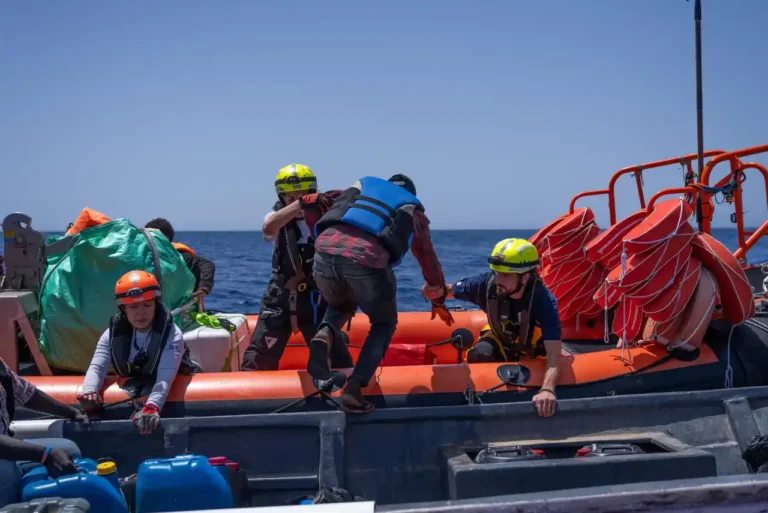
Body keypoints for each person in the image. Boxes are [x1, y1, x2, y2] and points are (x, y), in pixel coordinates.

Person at [307, 174, 454, 414]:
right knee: (384, 323)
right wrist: (437, 297)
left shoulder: (359, 188)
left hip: (323, 252)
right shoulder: (412, 210)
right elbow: (427, 257)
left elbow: (314, 205)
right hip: (367, 259)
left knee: (340, 305)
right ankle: (354, 389)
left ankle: (324, 335)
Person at [241, 164, 354, 371]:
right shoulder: (275, 217)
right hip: (280, 298)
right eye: (289, 198)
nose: (295, 202)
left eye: (301, 195)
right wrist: (302, 204)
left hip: (318, 299)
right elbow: (268, 228)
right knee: (257, 359)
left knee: (336, 357)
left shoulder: (328, 220)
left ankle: (347, 394)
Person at [433, 238, 561, 418]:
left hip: (533, 353)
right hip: (501, 340)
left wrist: (547, 389)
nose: (498, 279)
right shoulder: (486, 285)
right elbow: (448, 290)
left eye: (506, 275)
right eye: (497, 272)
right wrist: (434, 292)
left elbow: (555, 355)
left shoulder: (544, 302)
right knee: (480, 353)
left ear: (524, 277)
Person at [78, 270, 197, 435]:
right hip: (134, 385)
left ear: (156, 304)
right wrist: (89, 391)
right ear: (123, 309)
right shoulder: (112, 334)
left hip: (166, 383)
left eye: (147, 305)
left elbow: (165, 376)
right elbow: (97, 366)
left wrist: (152, 406)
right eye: (133, 307)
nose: (141, 313)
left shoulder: (172, 333)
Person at [0, 357, 89, 507]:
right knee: (6, 474)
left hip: (7, 445)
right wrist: (45, 455)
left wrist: (70, 412)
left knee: (70, 451)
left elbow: (26, 393)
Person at [144, 218, 216, 299]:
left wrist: (204, 288)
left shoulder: (179, 257)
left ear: (166, 240)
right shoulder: (143, 258)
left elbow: (206, 265)